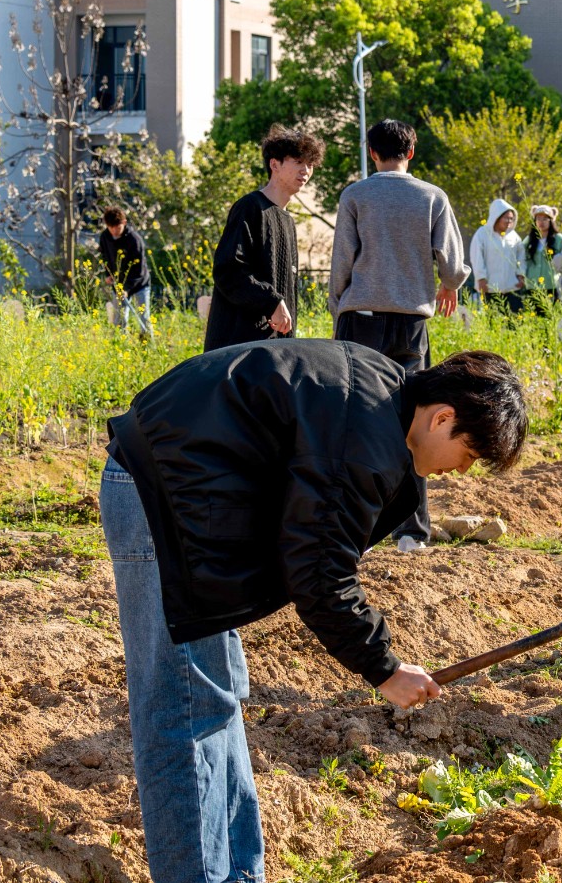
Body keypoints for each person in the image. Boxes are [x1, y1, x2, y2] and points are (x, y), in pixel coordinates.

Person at [102, 343, 527, 880]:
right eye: (467, 456)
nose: (460, 473)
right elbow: (319, 574)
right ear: (443, 418)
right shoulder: (363, 435)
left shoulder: (381, 399)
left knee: (217, 698)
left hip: (185, 489)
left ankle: (236, 874)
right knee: (182, 712)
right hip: (159, 497)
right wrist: (385, 669)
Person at [328, 119, 472, 552]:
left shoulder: (355, 195)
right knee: (415, 422)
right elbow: (452, 263)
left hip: (362, 319)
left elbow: (342, 263)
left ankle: (359, 528)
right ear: (411, 152)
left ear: (372, 153)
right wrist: (451, 283)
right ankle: (411, 531)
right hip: (411, 323)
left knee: (358, 423)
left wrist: (340, 308)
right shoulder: (431, 196)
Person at [205, 124, 325, 351]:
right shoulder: (250, 207)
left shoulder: (287, 220)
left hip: (273, 349)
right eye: (298, 162)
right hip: (239, 349)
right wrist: (271, 301)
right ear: (274, 164)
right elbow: (228, 270)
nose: (306, 171)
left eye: (310, 164)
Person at [98, 207, 152, 336]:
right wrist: (108, 275)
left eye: (117, 227)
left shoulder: (134, 240)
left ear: (124, 223)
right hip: (119, 284)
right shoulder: (105, 237)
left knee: (144, 316)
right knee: (119, 319)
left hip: (139, 283)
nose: (114, 231)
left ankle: (149, 344)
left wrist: (127, 289)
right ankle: (120, 346)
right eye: (111, 227)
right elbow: (105, 257)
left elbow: (138, 270)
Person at [469, 199, 524, 311]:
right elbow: (477, 258)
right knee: (493, 323)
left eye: (511, 218)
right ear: (496, 217)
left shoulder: (514, 236)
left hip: (512, 288)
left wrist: (521, 275)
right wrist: (481, 278)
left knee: (515, 322)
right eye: (506, 218)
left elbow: (521, 257)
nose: (509, 221)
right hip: (490, 288)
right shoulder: (482, 234)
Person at [522, 205, 562, 311]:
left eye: (545, 219)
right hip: (533, 285)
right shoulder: (529, 240)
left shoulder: (559, 239)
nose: (541, 222)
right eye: (538, 219)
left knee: (550, 315)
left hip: (551, 284)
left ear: (551, 220)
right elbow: (521, 259)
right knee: (534, 317)